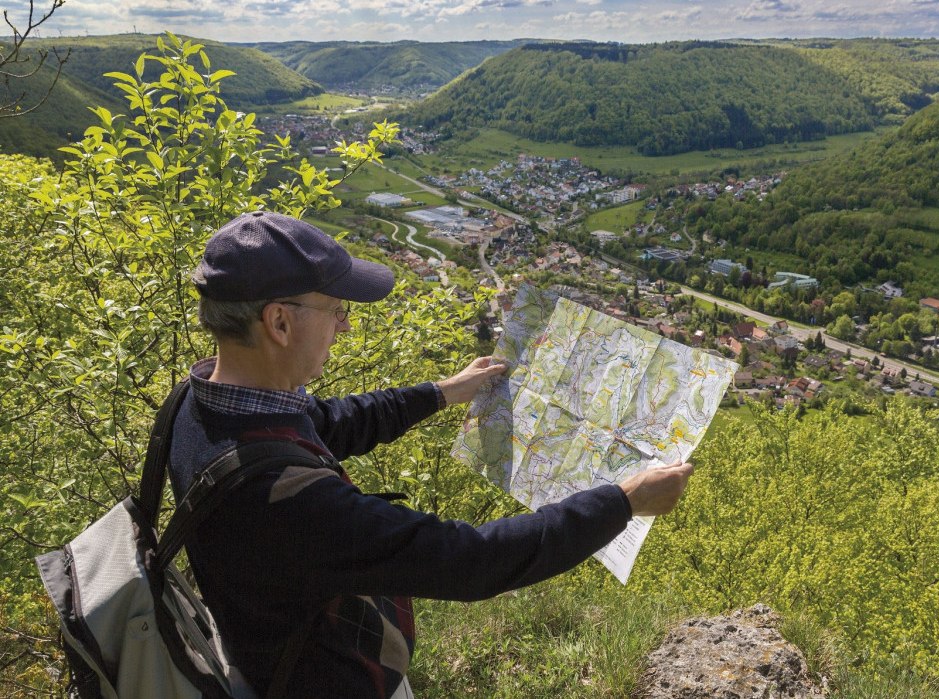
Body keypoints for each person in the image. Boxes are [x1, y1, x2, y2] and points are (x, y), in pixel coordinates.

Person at [170, 211, 694, 698]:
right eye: (336, 310)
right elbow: (471, 560)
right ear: (279, 323)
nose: (345, 326)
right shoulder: (285, 501)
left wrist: (442, 392)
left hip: (265, 645)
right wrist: (621, 501)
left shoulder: (198, 405)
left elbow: (329, 423)